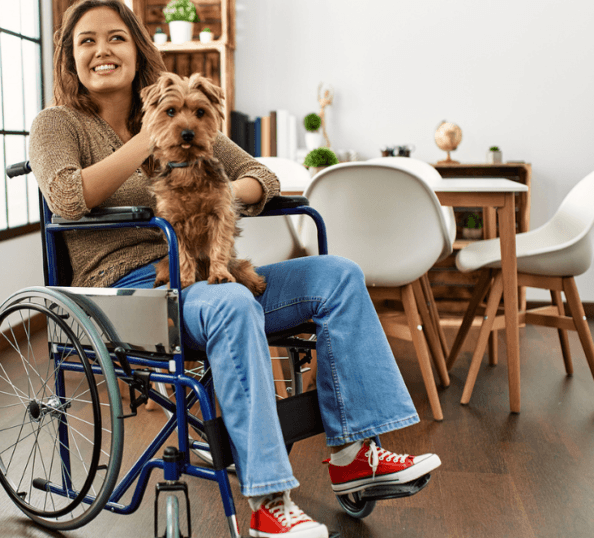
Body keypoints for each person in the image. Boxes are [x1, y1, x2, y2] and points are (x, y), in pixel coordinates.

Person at [28, 2, 440, 536]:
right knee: (232, 302)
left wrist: (220, 192)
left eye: (116, 38)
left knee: (337, 273)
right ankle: (269, 500)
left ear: (137, 48)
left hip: (207, 273)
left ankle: (355, 454)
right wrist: (148, 136)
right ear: (69, 56)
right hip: (125, 290)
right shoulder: (58, 124)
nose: (103, 50)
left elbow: (259, 175)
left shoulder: (188, 115)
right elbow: (66, 196)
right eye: (87, 41)